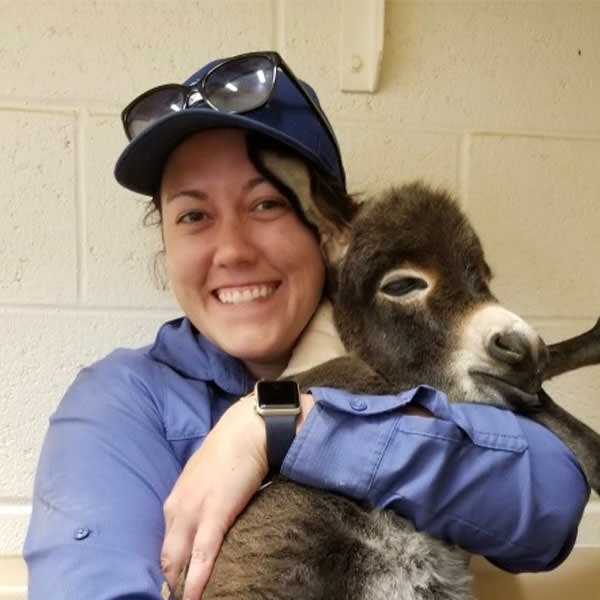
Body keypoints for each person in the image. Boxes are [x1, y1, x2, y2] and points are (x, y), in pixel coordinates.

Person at [24, 51, 589, 600]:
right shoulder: (119, 400)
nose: (232, 250)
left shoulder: (407, 355)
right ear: (166, 244)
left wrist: (280, 426)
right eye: (194, 215)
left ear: (329, 230)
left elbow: (548, 504)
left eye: (266, 204)